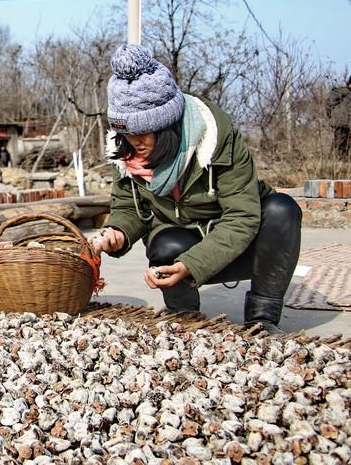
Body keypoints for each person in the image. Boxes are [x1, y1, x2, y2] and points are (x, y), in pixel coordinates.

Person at [93, 44, 301, 334]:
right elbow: (130, 208)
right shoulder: (126, 152)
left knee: (282, 210)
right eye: (127, 133)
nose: (134, 142)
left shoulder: (217, 137)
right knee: (165, 245)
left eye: (142, 132)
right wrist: (118, 231)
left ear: (168, 125)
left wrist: (194, 264)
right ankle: (185, 317)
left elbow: (242, 218)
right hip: (181, 239)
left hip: (240, 244)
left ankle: (262, 316)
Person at [326, 75, 351, 158]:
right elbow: (329, 102)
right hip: (341, 122)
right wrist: (331, 114)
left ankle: (343, 160)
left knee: (347, 143)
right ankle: (338, 161)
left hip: (348, 123)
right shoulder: (342, 91)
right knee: (340, 142)